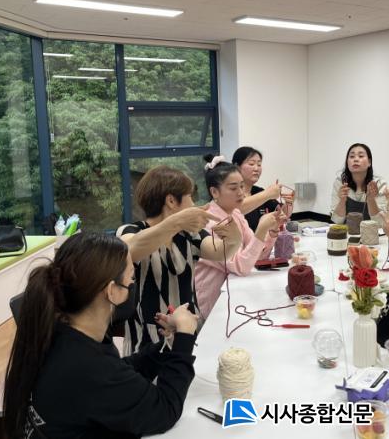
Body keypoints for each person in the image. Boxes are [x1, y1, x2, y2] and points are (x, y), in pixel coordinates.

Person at [3, 232, 199, 438]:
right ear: (111, 291)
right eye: (131, 278)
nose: (132, 286)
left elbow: (120, 372)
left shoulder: (62, 333)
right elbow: (164, 409)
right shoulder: (87, 366)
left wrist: (170, 344)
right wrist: (185, 335)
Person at [117, 166, 242, 353]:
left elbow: (220, 251)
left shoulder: (188, 234)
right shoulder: (130, 231)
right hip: (146, 342)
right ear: (171, 201)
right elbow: (130, 250)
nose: (193, 203)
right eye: (190, 196)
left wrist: (234, 238)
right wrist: (177, 222)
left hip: (188, 333)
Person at [195, 155, 285, 319]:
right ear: (214, 192)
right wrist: (261, 229)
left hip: (235, 295)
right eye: (233, 188)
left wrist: (271, 232)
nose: (241, 193)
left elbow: (258, 256)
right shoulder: (210, 223)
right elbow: (241, 267)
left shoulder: (235, 213)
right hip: (214, 304)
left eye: (242, 186)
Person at [232, 146, 293, 231]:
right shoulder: (230, 191)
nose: (256, 169)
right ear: (237, 167)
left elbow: (282, 214)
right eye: (251, 164)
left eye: (259, 164)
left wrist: (289, 203)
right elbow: (236, 209)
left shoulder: (259, 191)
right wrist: (268, 194)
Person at [330, 143, 387, 224]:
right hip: (347, 231)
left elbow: (380, 223)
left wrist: (371, 200)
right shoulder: (340, 183)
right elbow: (337, 221)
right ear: (347, 163)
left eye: (361, 156)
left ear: (369, 162)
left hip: (371, 231)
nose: (355, 159)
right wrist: (342, 201)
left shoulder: (379, 184)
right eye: (352, 156)